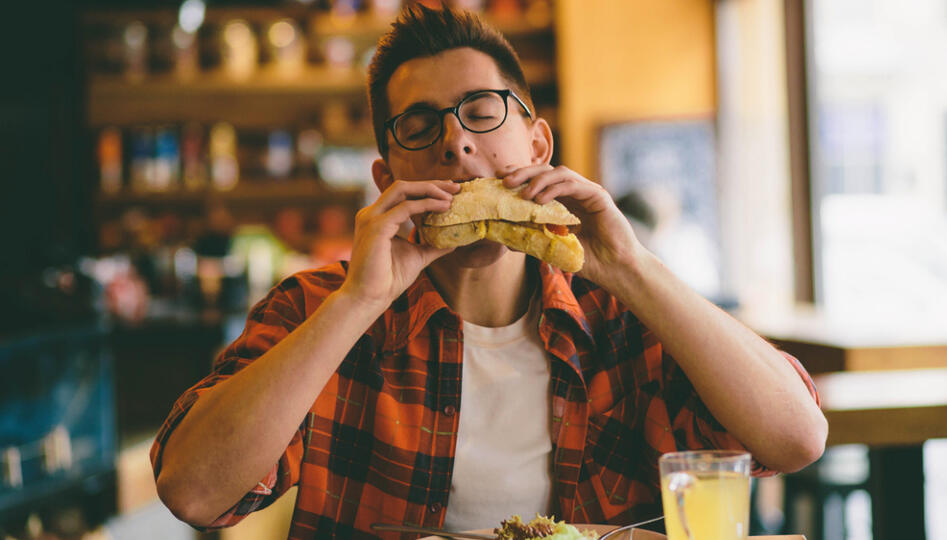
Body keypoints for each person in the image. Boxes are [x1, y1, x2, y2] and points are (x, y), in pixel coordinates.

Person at [152, 5, 827, 538]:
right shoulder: (321, 307)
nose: (456, 141)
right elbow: (194, 492)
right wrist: (358, 302)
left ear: (536, 145)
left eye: (481, 112)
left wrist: (633, 267)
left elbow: (797, 439)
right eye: (419, 127)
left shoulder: (620, 308)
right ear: (387, 178)